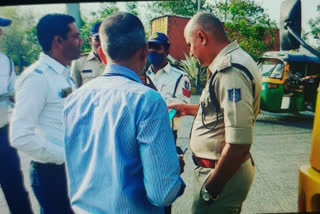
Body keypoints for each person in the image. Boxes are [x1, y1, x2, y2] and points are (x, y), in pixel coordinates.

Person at [63, 12, 185, 214]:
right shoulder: (148, 100)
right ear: (144, 52)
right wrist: (174, 169)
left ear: (102, 54)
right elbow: (162, 193)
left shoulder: (74, 100)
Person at [169, 12, 262, 214]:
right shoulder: (234, 61)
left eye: (189, 44)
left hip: (221, 175)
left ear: (202, 37)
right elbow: (220, 112)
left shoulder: (230, 71)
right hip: (220, 172)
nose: (191, 53)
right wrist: (185, 109)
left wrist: (211, 189)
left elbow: (238, 143)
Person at [10, 13, 82, 214]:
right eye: (75, 36)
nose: (80, 41)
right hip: (53, 175)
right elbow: (20, 136)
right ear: (58, 41)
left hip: (70, 172)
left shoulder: (62, 74)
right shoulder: (37, 78)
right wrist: (65, 156)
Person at [0, 17, 34, 214]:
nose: (2, 33)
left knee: (15, 190)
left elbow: (13, 93)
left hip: (3, 134)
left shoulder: (5, 61)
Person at [146, 32, 191, 145]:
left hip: (166, 132)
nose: (152, 51)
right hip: (143, 130)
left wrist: (165, 118)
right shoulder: (142, 74)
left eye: (157, 48)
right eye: (150, 47)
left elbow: (182, 106)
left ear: (166, 51)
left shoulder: (179, 77)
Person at [71, 21, 105, 88]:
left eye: (104, 39)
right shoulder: (79, 62)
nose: (101, 43)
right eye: (97, 39)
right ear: (90, 40)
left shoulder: (116, 61)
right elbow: (74, 88)